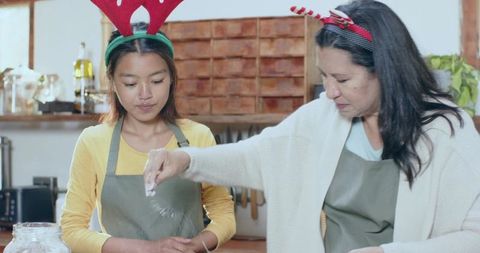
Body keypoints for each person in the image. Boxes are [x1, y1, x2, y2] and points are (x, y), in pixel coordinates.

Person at [143, 0, 480, 252]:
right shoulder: (322, 117)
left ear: (385, 71)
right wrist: (186, 160)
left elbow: (473, 236)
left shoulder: (446, 133)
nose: (330, 91)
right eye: (325, 76)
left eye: (343, 79)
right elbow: (257, 157)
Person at [61, 21, 236, 253]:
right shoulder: (93, 141)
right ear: (112, 82)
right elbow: (71, 230)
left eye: (156, 81)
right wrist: (148, 248)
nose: (145, 94)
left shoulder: (198, 136)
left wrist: (193, 246)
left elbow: (224, 214)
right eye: (131, 83)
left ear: (172, 78)